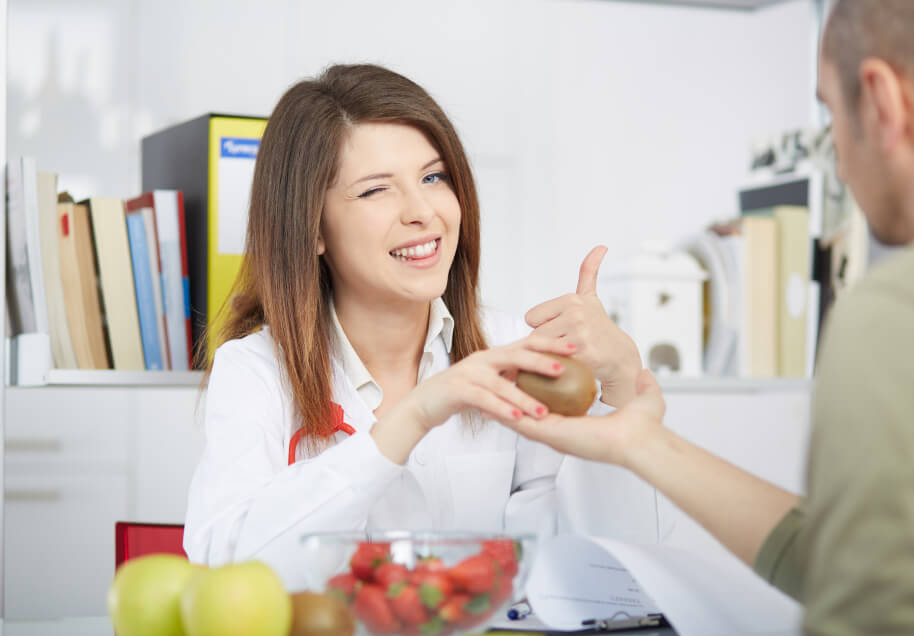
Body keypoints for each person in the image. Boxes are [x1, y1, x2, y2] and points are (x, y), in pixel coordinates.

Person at [508, 0, 914, 636]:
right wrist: (641, 443)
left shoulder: (909, 314)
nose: (840, 162)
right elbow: (861, 564)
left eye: (828, 115)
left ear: (881, 100)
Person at [182, 64, 639, 589]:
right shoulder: (255, 371)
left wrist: (619, 390)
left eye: (433, 177)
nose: (423, 211)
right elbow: (226, 573)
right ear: (311, 230)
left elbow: (606, 573)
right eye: (377, 191)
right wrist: (407, 422)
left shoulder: (514, 350)